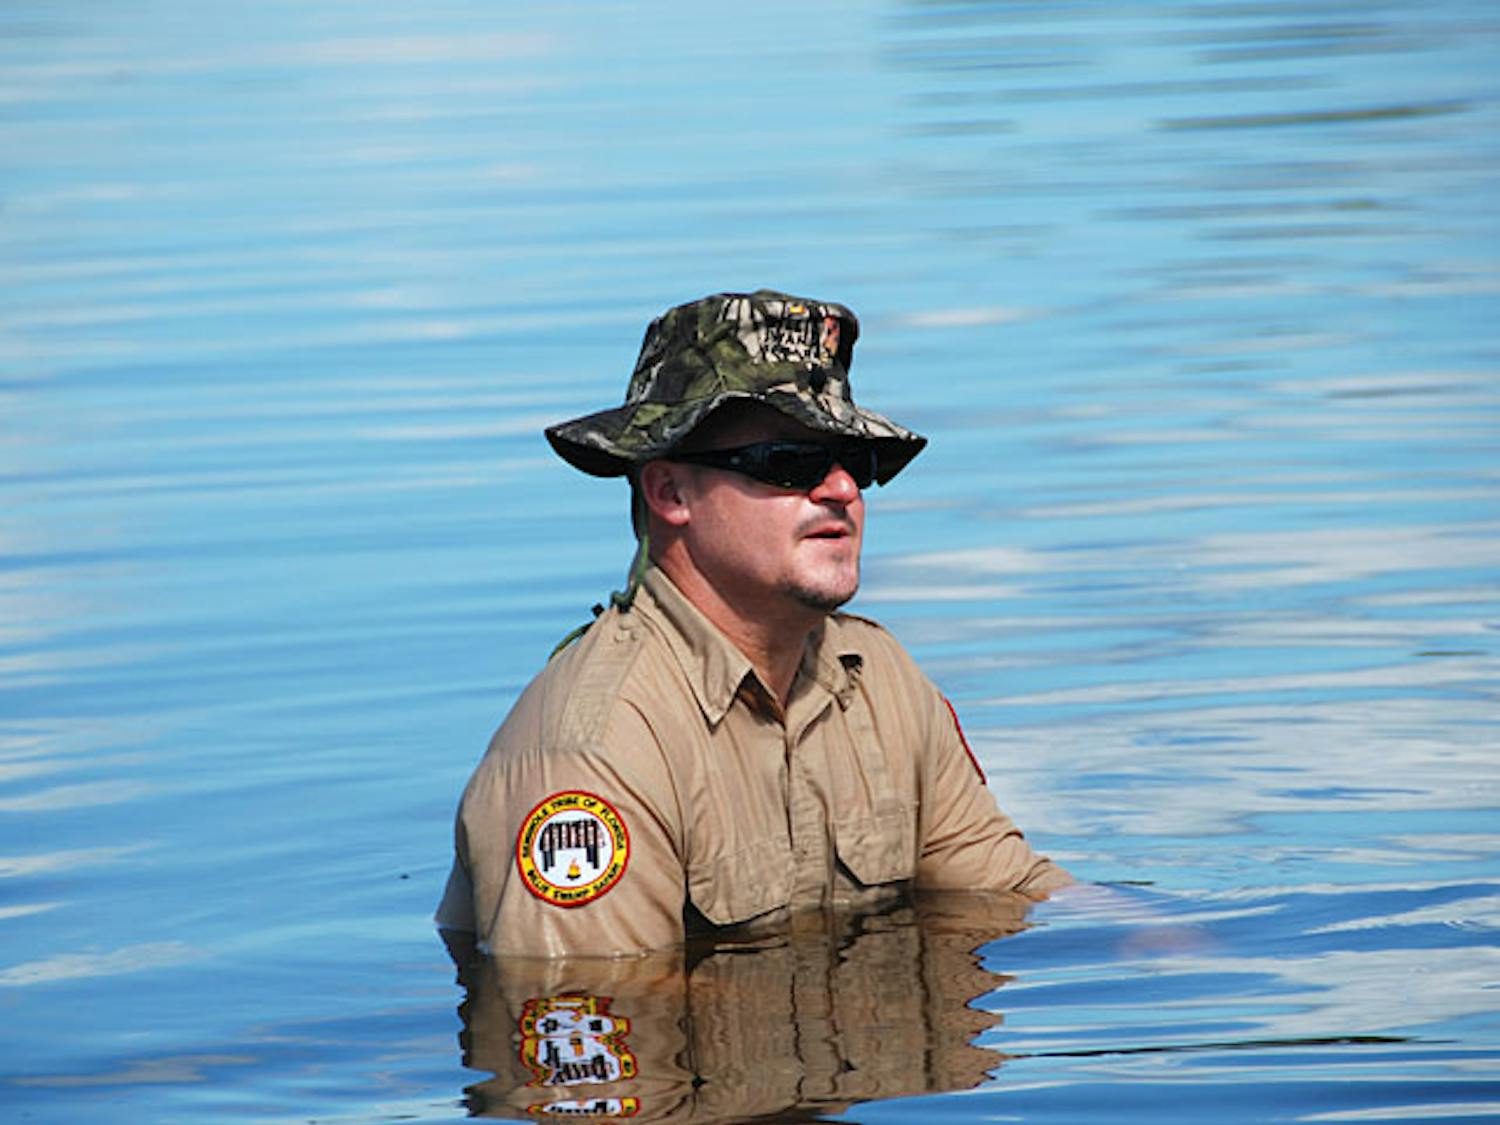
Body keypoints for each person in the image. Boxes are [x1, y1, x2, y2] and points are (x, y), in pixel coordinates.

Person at [437, 288, 1071, 958]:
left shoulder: (881, 678)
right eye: (789, 462)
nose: (842, 490)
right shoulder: (593, 749)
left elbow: (1006, 888)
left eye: (854, 462)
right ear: (670, 492)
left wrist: (1148, 932)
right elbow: (599, 1013)